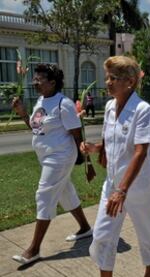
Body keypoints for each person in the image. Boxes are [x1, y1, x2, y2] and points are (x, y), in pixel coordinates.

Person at [81, 56, 150, 277]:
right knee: (102, 235)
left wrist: (123, 190)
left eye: (114, 78)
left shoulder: (142, 109)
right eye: (107, 77)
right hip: (112, 185)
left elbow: (140, 151)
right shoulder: (110, 107)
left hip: (137, 187)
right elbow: (113, 142)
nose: (108, 82)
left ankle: (149, 272)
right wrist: (95, 148)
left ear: (130, 82)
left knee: (147, 232)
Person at [11, 64, 92, 265]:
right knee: (66, 192)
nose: (34, 82)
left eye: (39, 79)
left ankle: (34, 249)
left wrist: (84, 160)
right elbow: (36, 128)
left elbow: (76, 132)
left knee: (44, 194)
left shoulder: (63, 103)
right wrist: (22, 113)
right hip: (46, 156)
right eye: (35, 78)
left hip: (60, 156)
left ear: (52, 83)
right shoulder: (40, 100)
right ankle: (85, 228)